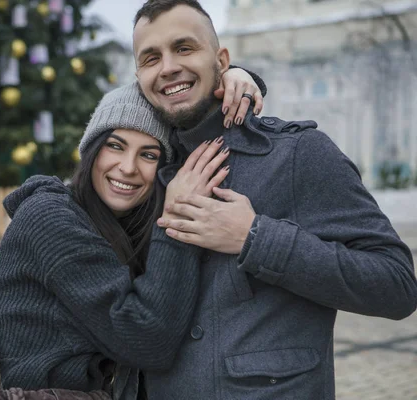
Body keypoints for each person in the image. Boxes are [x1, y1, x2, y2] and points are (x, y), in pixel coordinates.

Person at [129, 1, 417, 399]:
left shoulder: (298, 154)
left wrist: (256, 237)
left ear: (222, 59)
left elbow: (397, 285)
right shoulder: (140, 175)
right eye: (150, 58)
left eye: (184, 47)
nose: (168, 67)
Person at [0, 74, 264, 399]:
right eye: (115, 146)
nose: (127, 167)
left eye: (149, 155)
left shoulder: (124, 224)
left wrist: (234, 77)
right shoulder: (50, 218)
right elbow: (148, 340)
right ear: (92, 150)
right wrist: (178, 213)